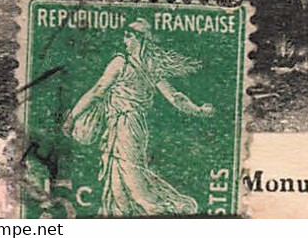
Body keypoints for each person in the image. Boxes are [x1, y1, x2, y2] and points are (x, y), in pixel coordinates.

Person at [63, 20, 212, 216]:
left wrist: (72, 117)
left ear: (139, 39)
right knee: (118, 178)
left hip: (125, 126)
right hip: (131, 127)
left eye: (128, 36)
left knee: (132, 178)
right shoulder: (151, 67)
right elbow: (175, 98)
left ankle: (165, 211)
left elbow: (97, 90)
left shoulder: (121, 63)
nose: (124, 40)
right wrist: (198, 110)